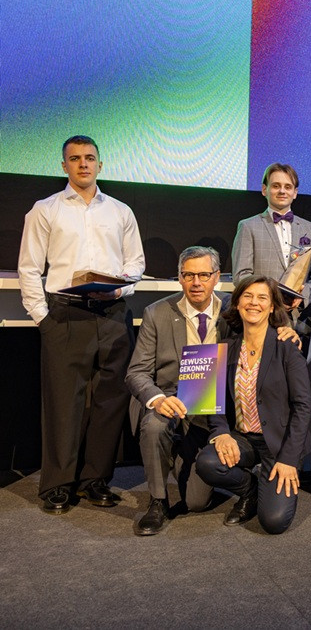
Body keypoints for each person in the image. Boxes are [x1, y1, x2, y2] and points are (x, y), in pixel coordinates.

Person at [18, 135, 145, 514]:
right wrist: (43, 318)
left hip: (111, 314)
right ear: (64, 166)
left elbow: (136, 263)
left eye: (90, 158)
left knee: (110, 400)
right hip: (66, 314)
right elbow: (29, 268)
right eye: (75, 159)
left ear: (100, 165)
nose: (83, 165)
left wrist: (119, 289)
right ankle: (57, 484)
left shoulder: (120, 211)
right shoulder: (45, 209)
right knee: (63, 402)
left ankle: (95, 480)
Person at [195, 276, 311, 533]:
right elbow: (211, 401)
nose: (254, 303)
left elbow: (303, 406)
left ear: (272, 307)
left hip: (280, 445)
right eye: (247, 296)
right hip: (243, 439)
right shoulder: (224, 348)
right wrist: (221, 433)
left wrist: (289, 459)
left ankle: (269, 483)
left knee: (273, 522)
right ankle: (250, 489)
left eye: (262, 298)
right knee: (207, 463)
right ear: (237, 303)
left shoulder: (287, 346)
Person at [125, 247, 223, 534]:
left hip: (211, 406)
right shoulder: (157, 313)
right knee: (155, 426)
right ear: (179, 278)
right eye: (189, 275)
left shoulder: (233, 310)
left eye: (204, 275)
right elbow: (137, 372)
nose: (196, 282)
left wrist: (287, 330)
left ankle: (185, 457)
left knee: (196, 503)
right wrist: (157, 398)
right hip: (171, 399)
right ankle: (157, 501)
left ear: (216, 277)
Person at [231, 163, 311, 319]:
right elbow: (242, 275)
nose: (282, 191)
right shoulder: (248, 226)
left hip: (299, 318)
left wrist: (303, 296)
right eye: (276, 186)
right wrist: (267, 299)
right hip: (262, 315)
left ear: (295, 193)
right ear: (264, 190)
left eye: (288, 187)